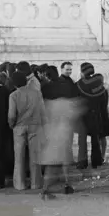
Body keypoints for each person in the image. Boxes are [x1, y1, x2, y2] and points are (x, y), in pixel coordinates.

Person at [39, 66, 78, 199]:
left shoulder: (45, 94)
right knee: (64, 159)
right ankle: (66, 184)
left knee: (51, 162)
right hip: (64, 129)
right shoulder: (65, 90)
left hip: (50, 129)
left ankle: (45, 189)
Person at [8, 71, 44, 190]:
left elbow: (12, 115)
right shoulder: (37, 93)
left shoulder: (13, 95)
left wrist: (12, 125)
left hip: (19, 127)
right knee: (35, 155)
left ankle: (20, 184)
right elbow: (43, 111)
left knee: (19, 157)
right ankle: (36, 183)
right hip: (35, 125)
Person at [76, 63, 109, 169]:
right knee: (99, 137)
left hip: (84, 116)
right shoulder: (100, 86)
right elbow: (104, 100)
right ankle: (99, 159)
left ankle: (82, 161)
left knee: (82, 139)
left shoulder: (79, 85)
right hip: (99, 115)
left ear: (83, 72)